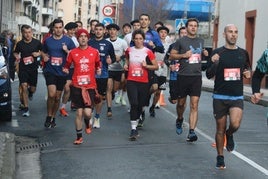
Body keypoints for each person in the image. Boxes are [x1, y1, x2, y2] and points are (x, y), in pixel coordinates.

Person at [206, 24, 251, 169]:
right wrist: (214, 62)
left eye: (236, 32)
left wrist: (247, 73)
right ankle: (220, 156)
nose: (233, 34)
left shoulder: (243, 53)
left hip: (236, 96)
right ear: (224, 34)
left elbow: (247, 68)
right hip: (219, 96)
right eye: (230, 32)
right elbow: (208, 74)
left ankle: (230, 134)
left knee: (235, 124)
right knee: (220, 128)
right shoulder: (217, 52)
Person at [169, 18, 208, 142]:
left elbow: (200, 54)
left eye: (195, 26)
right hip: (183, 76)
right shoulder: (181, 41)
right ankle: (180, 118)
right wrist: (183, 55)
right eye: (190, 25)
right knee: (181, 104)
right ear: (186, 27)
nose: (193, 27)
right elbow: (171, 56)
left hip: (196, 77)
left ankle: (191, 131)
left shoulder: (201, 40)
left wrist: (205, 53)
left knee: (194, 105)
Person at [63, 29, 101, 145]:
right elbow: (67, 65)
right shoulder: (73, 53)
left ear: (88, 38)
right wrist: (65, 70)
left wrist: (99, 70)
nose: (83, 38)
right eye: (81, 36)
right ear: (77, 38)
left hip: (90, 86)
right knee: (79, 113)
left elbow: (98, 65)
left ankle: (87, 123)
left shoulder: (94, 52)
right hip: (77, 86)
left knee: (88, 113)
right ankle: (79, 137)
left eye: (85, 36)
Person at [124, 29, 158, 141]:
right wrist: (126, 65)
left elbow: (156, 66)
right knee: (133, 103)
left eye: (140, 39)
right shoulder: (129, 50)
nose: (138, 41)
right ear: (133, 39)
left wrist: (146, 66)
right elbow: (127, 61)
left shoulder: (148, 52)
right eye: (136, 38)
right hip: (131, 81)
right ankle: (133, 129)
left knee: (140, 105)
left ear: (144, 40)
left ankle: (137, 120)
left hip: (144, 82)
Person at [42, 19, 76, 128]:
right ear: (53, 28)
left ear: (62, 28)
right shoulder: (48, 41)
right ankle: (48, 116)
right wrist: (44, 56)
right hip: (50, 70)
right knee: (51, 94)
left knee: (57, 97)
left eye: (60, 27)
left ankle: (53, 117)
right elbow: (42, 51)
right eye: (56, 27)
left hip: (62, 72)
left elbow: (75, 55)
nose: (58, 29)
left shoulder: (68, 41)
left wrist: (67, 51)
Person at [88, 23, 116, 128]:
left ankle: (97, 117)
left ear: (104, 31)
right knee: (90, 96)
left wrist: (110, 61)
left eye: (100, 29)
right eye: (97, 29)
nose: (98, 31)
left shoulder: (108, 44)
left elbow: (113, 58)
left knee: (99, 97)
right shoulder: (89, 43)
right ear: (94, 31)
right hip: (90, 74)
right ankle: (89, 114)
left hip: (103, 74)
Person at [13, 25, 43, 117]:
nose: (27, 34)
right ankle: (26, 109)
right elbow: (15, 52)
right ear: (22, 33)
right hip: (23, 68)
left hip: (33, 69)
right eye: (25, 32)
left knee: (32, 89)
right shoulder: (20, 44)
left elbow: (43, 51)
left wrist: (38, 53)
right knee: (24, 86)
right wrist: (16, 56)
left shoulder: (37, 42)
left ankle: (31, 93)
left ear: (32, 33)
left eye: (29, 32)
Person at [148, 26, 171, 117]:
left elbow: (170, 57)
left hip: (164, 70)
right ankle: (146, 96)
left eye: (165, 32)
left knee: (158, 91)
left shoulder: (170, 45)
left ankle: (152, 107)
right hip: (153, 68)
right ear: (158, 34)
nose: (163, 34)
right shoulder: (153, 43)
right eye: (161, 32)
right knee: (153, 87)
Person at [106, 24, 128, 113]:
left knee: (114, 89)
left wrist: (121, 57)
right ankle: (109, 109)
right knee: (108, 88)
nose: (112, 31)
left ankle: (113, 93)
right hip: (108, 68)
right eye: (110, 30)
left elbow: (127, 54)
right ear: (108, 31)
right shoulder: (106, 41)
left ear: (117, 31)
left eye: (114, 30)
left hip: (118, 69)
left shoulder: (122, 42)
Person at [59, 22, 79, 117]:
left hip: (71, 67)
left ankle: (63, 107)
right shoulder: (62, 39)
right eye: (70, 30)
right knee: (58, 90)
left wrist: (67, 51)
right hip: (60, 67)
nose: (72, 31)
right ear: (66, 30)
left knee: (67, 88)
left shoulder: (76, 40)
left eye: (74, 30)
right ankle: (56, 102)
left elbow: (76, 53)